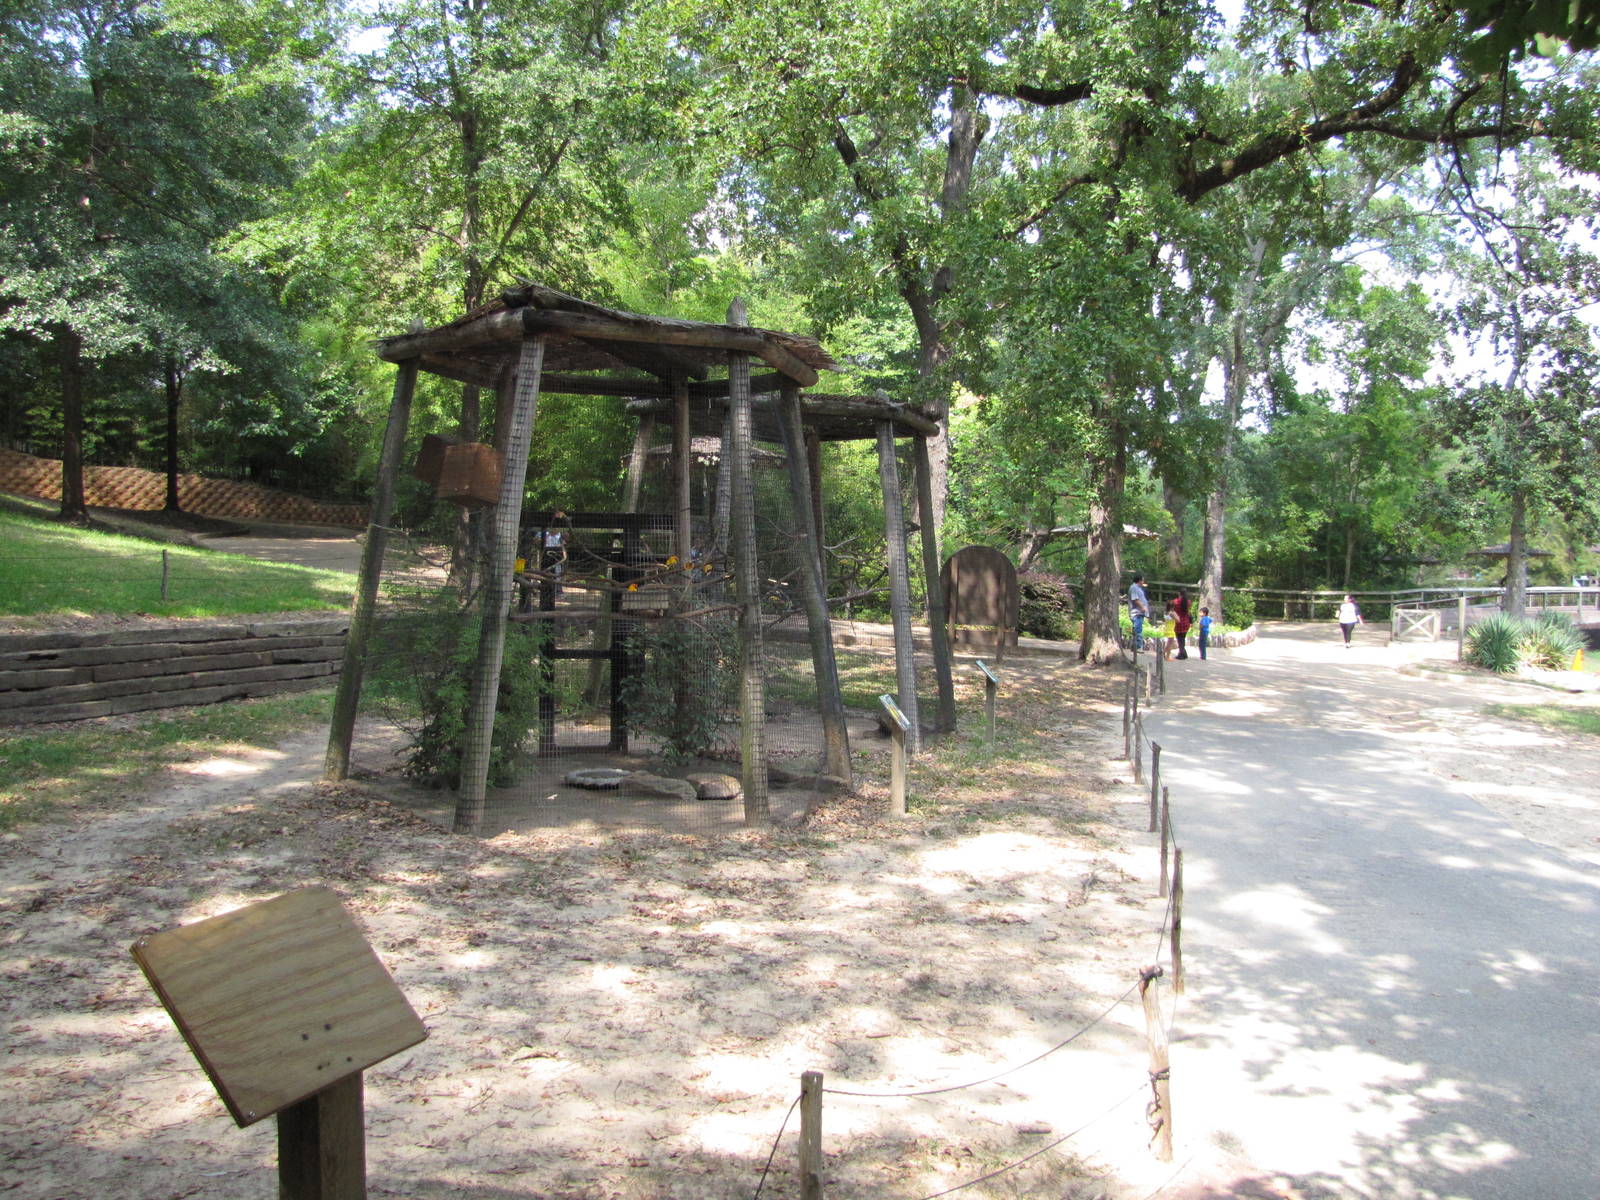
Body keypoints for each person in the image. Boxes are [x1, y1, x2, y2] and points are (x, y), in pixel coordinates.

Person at [1128, 573, 1151, 650]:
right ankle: (1137, 647)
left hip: (1139, 612)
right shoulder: (1134, 587)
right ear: (1139, 580)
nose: (1143, 581)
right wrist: (1143, 607)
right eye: (1142, 580)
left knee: (1138, 629)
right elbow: (1135, 599)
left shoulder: (1138, 588)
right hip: (1136, 612)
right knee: (1137, 629)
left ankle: (1135, 646)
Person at [1171, 589, 1193, 659]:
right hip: (1186, 622)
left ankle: (1181, 654)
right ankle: (1184, 653)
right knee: (1182, 638)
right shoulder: (1188, 602)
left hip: (1178, 622)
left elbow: (1172, 609)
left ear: (1179, 593)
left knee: (1179, 639)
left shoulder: (1175, 601)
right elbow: (1189, 611)